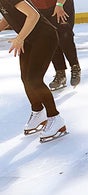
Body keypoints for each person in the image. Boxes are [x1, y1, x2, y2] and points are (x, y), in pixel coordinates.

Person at [0, 0, 68, 142]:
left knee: (34, 79)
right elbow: (9, 17)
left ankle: (55, 118)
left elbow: (33, 15)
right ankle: (38, 112)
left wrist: (19, 38)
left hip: (45, 37)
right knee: (26, 78)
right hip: (29, 39)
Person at [31, 0, 81, 90]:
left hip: (61, 4)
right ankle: (60, 73)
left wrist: (59, 4)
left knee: (65, 37)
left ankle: (75, 67)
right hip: (40, 8)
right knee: (50, 40)